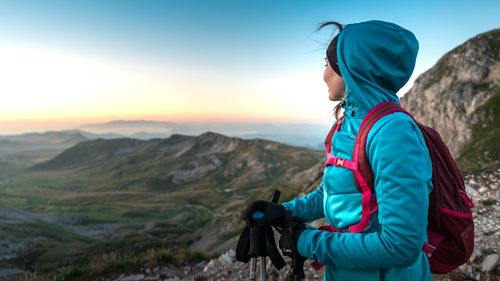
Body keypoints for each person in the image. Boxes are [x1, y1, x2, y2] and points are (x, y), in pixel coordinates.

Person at [243, 20, 434, 281]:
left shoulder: (393, 133)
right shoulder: (349, 123)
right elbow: (337, 192)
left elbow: (400, 246)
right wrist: (285, 212)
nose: (323, 75)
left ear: (350, 68)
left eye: (327, 65)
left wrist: (307, 240)